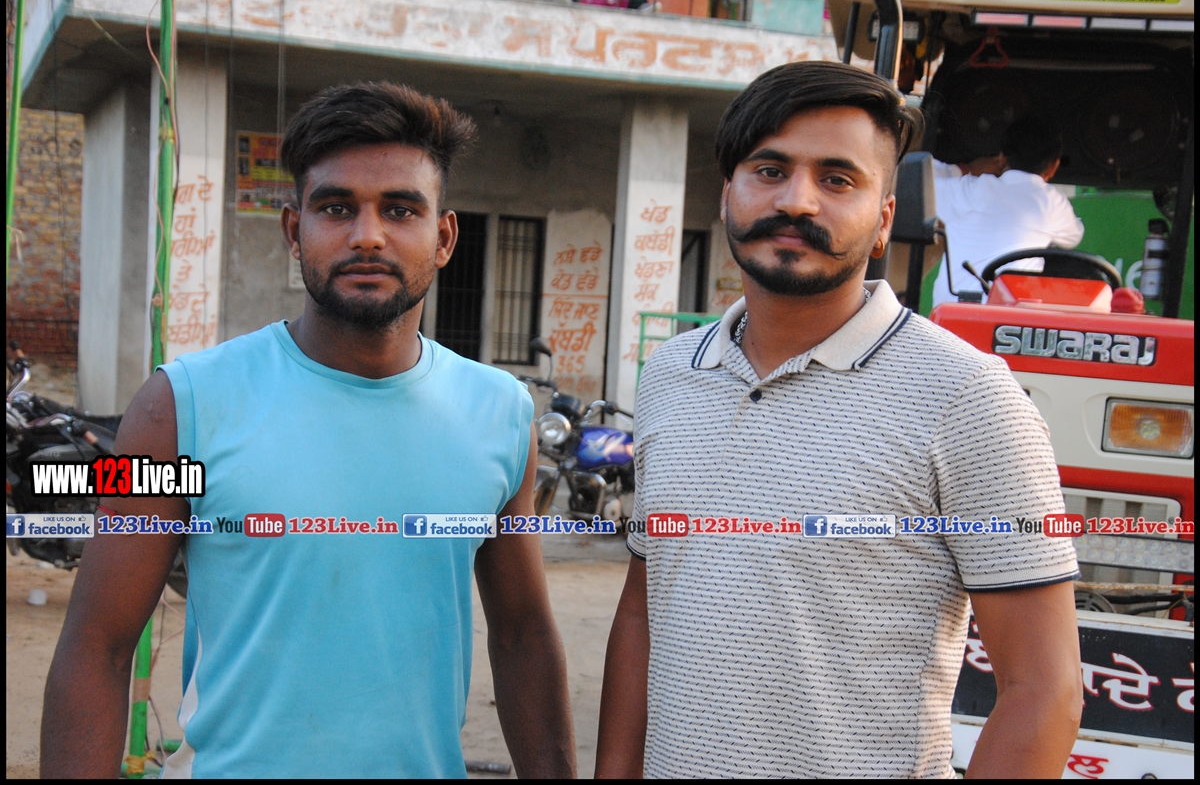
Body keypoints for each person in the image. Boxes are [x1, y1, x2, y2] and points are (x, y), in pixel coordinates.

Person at [41, 82, 576, 778]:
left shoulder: (501, 413)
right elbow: (98, 646)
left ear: (444, 237)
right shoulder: (175, 407)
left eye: (400, 209)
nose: (367, 235)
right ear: (295, 231)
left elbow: (524, 635)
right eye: (336, 207)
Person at [595, 61, 1083, 778]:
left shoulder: (968, 398)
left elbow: (1044, 689)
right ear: (727, 192)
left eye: (837, 179)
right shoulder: (672, 375)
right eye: (770, 170)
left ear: (883, 220)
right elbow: (646, 608)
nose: (797, 200)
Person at [931, 113, 1085, 306]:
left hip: (953, 311)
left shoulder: (967, 190)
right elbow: (1074, 237)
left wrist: (968, 168)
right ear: (1054, 166)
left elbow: (921, 174)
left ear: (1002, 158)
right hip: (1012, 315)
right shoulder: (1052, 202)